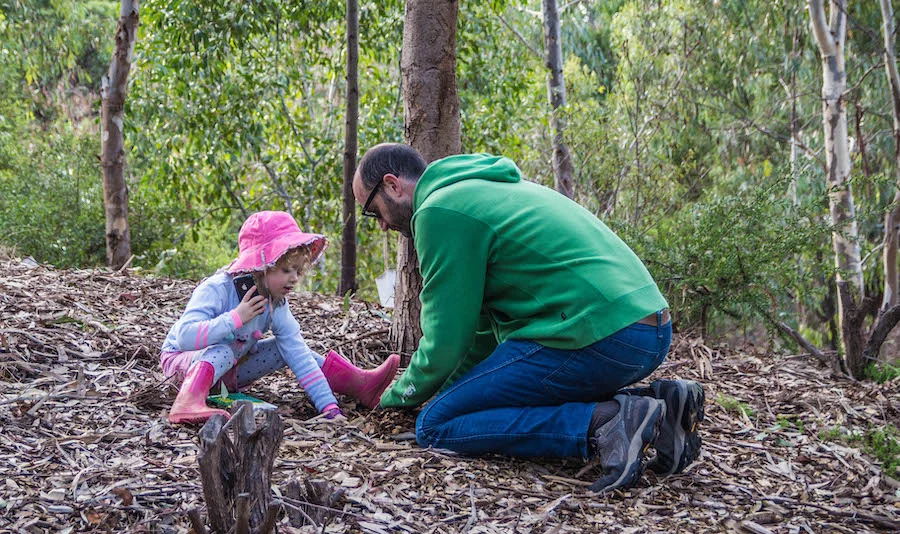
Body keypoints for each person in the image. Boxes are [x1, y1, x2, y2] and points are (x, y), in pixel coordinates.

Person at [352, 144, 705, 493]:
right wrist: (452, 391)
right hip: (645, 329)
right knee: (454, 406)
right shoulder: (480, 188)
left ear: (393, 185)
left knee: (435, 425)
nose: (381, 225)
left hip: (597, 334)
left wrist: (397, 399)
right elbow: (478, 334)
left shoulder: (438, 211)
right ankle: (666, 408)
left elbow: (446, 340)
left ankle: (608, 421)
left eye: (372, 211)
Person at [160, 210, 400, 424]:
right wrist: (234, 318)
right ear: (261, 266)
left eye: (298, 271)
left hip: (227, 374)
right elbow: (184, 338)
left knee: (283, 348)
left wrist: (330, 408)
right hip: (183, 368)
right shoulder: (218, 289)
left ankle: (360, 386)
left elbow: (298, 355)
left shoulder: (276, 303)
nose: (294, 278)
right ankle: (187, 403)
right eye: (286, 270)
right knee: (221, 351)